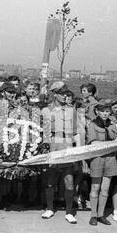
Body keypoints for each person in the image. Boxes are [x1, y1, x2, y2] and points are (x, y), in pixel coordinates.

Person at [40, 84, 81, 224]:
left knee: (69, 180)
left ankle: (69, 212)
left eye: (66, 94)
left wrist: (78, 152)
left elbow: (76, 132)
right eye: (62, 93)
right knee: (50, 181)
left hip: (67, 145)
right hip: (52, 144)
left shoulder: (72, 110)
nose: (65, 96)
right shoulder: (45, 110)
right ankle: (50, 208)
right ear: (54, 94)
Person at [87, 99, 117, 226]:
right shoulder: (93, 124)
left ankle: (101, 215)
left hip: (111, 158)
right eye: (103, 111)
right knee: (95, 187)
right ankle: (93, 215)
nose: (105, 114)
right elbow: (93, 142)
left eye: (107, 111)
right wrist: (110, 144)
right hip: (98, 158)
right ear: (97, 111)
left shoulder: (112, 124)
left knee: (105, 189)